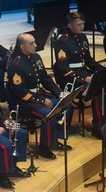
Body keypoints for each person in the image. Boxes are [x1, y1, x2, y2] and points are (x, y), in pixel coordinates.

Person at [6, 32, 66, 160]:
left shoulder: (36, 57)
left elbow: (45, 78)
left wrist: (59, 93)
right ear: (22, 47)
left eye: (34, 42)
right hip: (24, 102)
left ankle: (55, 139)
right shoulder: (15, 65)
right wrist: (42, 100)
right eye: (31, 43)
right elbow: (20, 92)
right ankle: (45, 146)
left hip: (37, 94)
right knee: (49, 114)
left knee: (66, 104)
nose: (35, 45)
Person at [54, 11, 106, 138]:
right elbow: (64, 69)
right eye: (79, 24)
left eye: (83, 24)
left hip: (84, 72)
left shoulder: (82, 37)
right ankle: (98, 128)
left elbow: (89, 60)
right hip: (71, 79)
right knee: (97, 91)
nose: (82, 27)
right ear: (70, 25)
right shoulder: (62, 42)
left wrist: (104, 71)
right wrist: (84, 78)